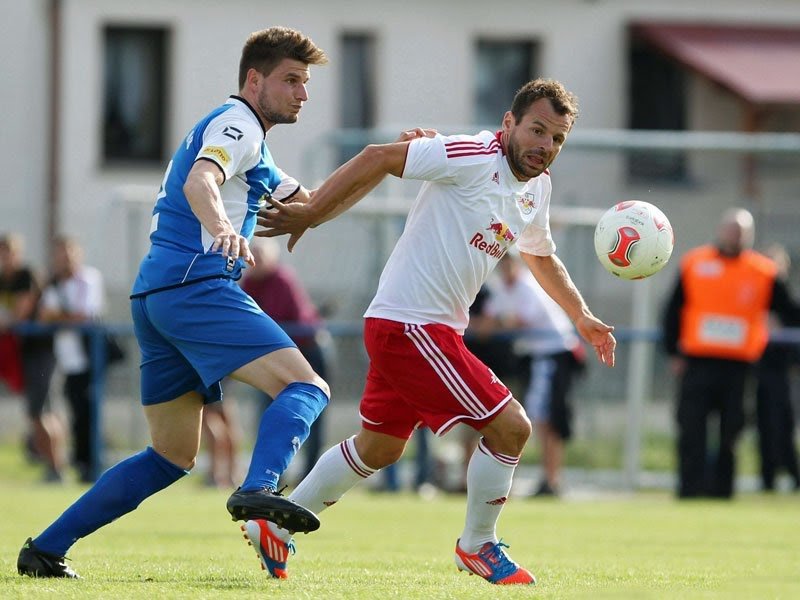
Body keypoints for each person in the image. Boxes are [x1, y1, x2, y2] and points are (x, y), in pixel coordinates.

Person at [255, 78, 616, 584]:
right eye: (537, 130)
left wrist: (580, 315)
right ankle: (478, 545)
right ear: (508, 123)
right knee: (512, 427)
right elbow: (381, 154)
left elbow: (538, 252)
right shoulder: (470, 154)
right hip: (412, 325)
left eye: (557, 138)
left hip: (417, 328)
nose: (545, 146)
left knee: (379, 448)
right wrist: (313, 211)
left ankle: (275, 523)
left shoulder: (537, 186)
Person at [18, 26, 331, 579]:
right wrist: (220, 228)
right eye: (290, 80)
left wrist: (392, 160)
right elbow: (199, 181)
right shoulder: (237, 125)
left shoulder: (251, 141)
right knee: (306, 386)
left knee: (170, 456)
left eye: (305, 83)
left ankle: (45, 548)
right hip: (196, 286)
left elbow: (310, 204)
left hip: (157, 294)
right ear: (254, 80)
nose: (302, 93)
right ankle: (258, 492)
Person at [662, 208, 800, 499]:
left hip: (739, 366)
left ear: (749, 236)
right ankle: (689, 489)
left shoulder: (763, 271)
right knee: (691, 428)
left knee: (731, 433)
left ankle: (722, 492)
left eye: (741, 231)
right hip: (697, 362)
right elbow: (672, 311)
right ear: (721, 230)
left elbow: (788, 310)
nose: (735, 235)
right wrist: (673, 351)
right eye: (731, 229)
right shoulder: (695, 263)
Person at [485, 252, 586, 497]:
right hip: (536, 358)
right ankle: (548, 479)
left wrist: (495, 323)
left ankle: (551, 480)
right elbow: (490, 317)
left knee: (547, 419)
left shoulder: (527, 286)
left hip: (552, 355)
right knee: (539, 418)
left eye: (509, 264)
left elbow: (518, 320)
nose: (505, 269)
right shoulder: (503, 288)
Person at [241, 237, 330, 481]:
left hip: (308, 351)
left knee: (312, 414)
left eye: (261, 255)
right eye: (252, 256)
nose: (255, 261)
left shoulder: (282, 279)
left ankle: (310, 474)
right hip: (271, 358)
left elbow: (290, 322)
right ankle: (269, 476)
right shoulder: (248, 283)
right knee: (268, 414)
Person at [38, 237, 107, 483]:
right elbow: (45, 316)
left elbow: (85, 314)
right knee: (73, 412)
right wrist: (62, 317)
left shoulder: (88, 278)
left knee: (88, 413)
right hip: (64, 359)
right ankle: (80, 463)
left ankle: (92, 464)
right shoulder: (53, 284)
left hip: (89, 358)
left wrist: (60, 316)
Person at [0, 234, 65, 482]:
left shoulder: (26, 275)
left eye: (9, 252)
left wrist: (8, 321)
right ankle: (55, 466)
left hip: (40, 352)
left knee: (40, 413)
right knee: (40, 413)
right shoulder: (3, 279)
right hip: (21, 353)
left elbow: (21, 313)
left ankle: (56, 468)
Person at [754, 244, 800, 492]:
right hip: (756, 370)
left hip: (781, 371)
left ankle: (793, 475)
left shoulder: (787, 300)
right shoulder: (755, 295)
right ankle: (767, 477)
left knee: (782, 424)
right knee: (762, 425)